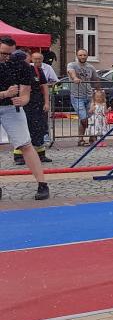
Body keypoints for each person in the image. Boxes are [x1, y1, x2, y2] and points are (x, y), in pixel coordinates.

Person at [0, 37, 49, 200]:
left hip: (12, 109)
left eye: (9, 54)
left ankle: (42, 185)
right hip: (4, 100)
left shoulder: (21, 65)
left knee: (26, 144)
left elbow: (26, 91)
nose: (6, 57)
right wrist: (4, 94)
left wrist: (23, 99)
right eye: (2, 53)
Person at [10, 51, 51, 165]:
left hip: (37, 103)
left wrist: (46, 102)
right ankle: (18, 155)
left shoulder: (36, 70)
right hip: (21, 104)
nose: (26, 61)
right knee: (22, 128)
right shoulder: (12, 71)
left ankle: (40, 153)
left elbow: (44, 87)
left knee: (39, 127)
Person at [67, 48, 103, 146]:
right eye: (80, 55)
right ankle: (84, 137)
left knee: (92, 118)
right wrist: (74, 78)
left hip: (89, 96)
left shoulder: (91, 67)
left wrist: (99, 92)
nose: (82, 57)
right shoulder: (72, 65)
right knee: (83, 118)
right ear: (77, 56)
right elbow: (71, 72)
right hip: (77, 96)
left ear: (87, 56)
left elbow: (96, 80)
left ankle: (87, 139)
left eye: (84, 55)